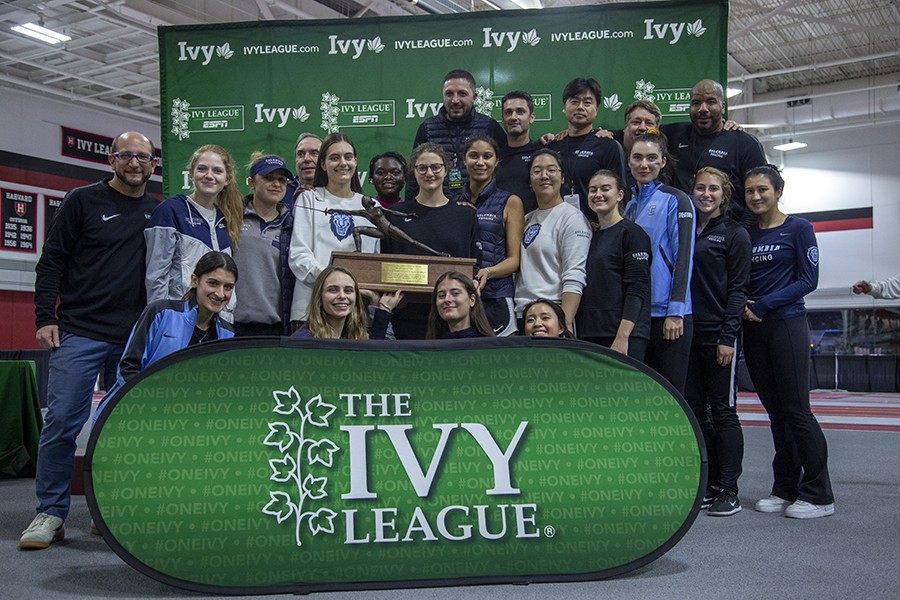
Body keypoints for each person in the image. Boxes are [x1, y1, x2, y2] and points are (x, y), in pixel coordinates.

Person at [22, 131, 159, 550]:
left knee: (124, 431)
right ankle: (51, 512)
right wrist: (46, 317)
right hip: (79, 331)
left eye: (143, 157)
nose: (135, 163)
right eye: (126, 156)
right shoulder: (81, 201)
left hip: (133, 337)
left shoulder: (158, 213)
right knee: (62, 422)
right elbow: (52, 262)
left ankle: (108, 511)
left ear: (153, 165)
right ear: (111, 160)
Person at [741, 165, 835, 519]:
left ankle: (819, 494)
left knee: (798, 413)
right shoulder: (746, 233)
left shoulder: (799, 228)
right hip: (754, 330)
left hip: (787, 324)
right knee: (776, 415)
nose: (756, 197)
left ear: (778, 190)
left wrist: (764, 305)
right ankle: (785, 488)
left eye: (762, 189)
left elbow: (808, 280)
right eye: (750, 191)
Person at [684, 167, 751, 517]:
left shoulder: (734, 234)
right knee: (696, 412)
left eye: (713, 189)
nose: (705, 194)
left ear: (723, 195)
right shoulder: (686, 230)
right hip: (688, 333)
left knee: (723, 412)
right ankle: (709, 484)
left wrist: (728, 337)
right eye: (699, 188)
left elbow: (739, 289)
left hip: (718, 337)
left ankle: (729, 488)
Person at [102, 251, 237, 403]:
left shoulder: (228, 334)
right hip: (138, 410)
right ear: (194, 281)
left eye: (228, 287)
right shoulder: (161, 313)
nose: (220, 294)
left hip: (188, 417)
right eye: (213, 283)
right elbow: (127, 369)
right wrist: (153, 404)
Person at [623, 129, 695, 394]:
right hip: (639, 316)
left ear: (663, 161)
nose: (644, 164)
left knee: (672, 397)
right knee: (643, 396)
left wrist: (676, 310)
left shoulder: (676, 199)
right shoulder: (627, 204)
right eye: (638, 158)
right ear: (629, 162)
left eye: (652, 158)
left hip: (669, 316)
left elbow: (684, 256)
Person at [385, 143, 481, 339]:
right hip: (407, 314)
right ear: (414, 172)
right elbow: (386, 263)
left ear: (445, 171)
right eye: (422, 168)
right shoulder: (395, 215)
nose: (430, 173)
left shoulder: (465, 216)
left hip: (454, 317)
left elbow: (475, 262)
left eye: (436, 167)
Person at [144, 144, 242, 321]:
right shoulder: (171, 211)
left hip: (218, 322)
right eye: (202, 169)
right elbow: (156, 276)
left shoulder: (227, 219)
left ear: (227, 179)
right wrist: (160, 320)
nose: (209, 176)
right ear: (191, 173)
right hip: (179, 318)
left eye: (217, 171)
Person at [289, 132, 378, 325]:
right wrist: (335, 286)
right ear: (323, 164)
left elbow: (374, 261)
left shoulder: (371, 207)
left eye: (348, 157)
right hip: (310, 311)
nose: (343, 163)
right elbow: (299, 255)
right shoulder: (309, 199)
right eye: (334, 158)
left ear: (355, 161)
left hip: (356, 312)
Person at [664, 79, 767, 227]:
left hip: (727, 235)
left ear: (723, 107)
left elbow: (758, 195)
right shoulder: (675, 134)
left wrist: (740, 234)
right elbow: (638, 131)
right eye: (696, 103)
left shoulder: (744, 143)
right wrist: (617, 135)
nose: (703, 109)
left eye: (711, 102)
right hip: (682, 233)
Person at [514, 148, 592, 332]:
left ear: (562, 177)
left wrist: (563, 325)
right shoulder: (525, 219)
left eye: (551, 170)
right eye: (537, 171)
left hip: (553, 316)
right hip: (523, 315)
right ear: (530, 181)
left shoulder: (573, 219)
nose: (544, 176)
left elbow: (575, 275)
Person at [576, 170, 651, 360]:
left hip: (623, 335)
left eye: (605, 189)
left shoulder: (632, 233)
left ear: (619, 195)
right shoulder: (589, 235)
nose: (598, 194)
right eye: (593, 190)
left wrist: (622, 336)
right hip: (589, 333)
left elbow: (637, 287)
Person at [459, 133, 525, 336]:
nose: (480, 162)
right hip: (460, 298)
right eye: (473, 156)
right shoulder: (453, 202)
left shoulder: (511, 201)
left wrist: (488, 272)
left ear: (497, 162)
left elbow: (514, 261)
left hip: (497, 296)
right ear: (464, 159)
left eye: (487, 156)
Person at [406, 69, 506, 202]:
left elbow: (505, 169)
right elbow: (414, 175)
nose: (455, 100)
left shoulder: (489, 126)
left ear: (474, 97)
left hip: (481, 206)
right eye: (449, 94)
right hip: (437, 207)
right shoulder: (427, 128)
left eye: (462, 94)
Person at [548, 77, 627, 224]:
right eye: (574, 101)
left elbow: (620, 193)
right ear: (564, 106)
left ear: (596, 109)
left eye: (587, 102)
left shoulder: (608, 146)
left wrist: (606, 225)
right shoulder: (553, 146)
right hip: (557, 227)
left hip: (597, 229)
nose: (580, 107)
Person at [232, 154, 295, 336]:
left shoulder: (293, 226)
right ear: (252, 183)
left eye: (282, 180)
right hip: (232, 325)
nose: (276, 184)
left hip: (276, 328)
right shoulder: (231, 218)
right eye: (268, 178)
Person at [293, 266, 401, 340]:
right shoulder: (303, 339)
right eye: (333, 290)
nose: (342, 296)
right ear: (319, 298)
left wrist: (382, 307)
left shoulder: (357, 337)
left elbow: (379, 357)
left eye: (348, 290)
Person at [496, 90, 541, 213]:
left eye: (520, 112)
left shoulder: (542, 153)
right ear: (502, 119)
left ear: (531, 117)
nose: (513, 117)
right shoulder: (493, 157)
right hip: (500, 227)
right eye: (508, 112)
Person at [426, 271, 495, 339]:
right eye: (442, 295)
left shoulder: (489, 346)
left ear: (472, 300)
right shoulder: (431, 346)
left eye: (455, 293)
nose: (447, 299)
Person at [283, 132, 322, 206]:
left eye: (314, 153)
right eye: (300, 154)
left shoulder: (336, 192)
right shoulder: (282, 192)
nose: (306, 159)